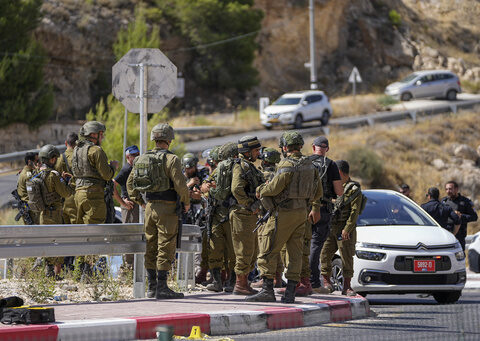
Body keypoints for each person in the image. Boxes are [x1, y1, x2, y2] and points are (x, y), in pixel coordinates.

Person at [246, 131, 322, 303]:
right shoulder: (311, 165)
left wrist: (260, 190)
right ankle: (290, 293)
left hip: (284, 213)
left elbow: (274, 188)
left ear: (285, 147)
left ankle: (267, 291)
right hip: (302, 213)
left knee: (268, 248)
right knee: (295, 252)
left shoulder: (286, 165)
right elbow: (318, 192)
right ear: (300, 146)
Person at [127, 123, 190, 299]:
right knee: (166, 244)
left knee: (151, 244)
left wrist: (141, 202)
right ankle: (162, 287)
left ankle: (152, 288)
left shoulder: (141, 159)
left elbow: (130, 184)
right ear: (169, 140)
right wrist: (186, 202)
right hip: (168, 208)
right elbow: (181, 185)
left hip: (150, 207)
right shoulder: (172, 160)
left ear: (154, 138)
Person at [72, 121, 118, 278]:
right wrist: (113, 167)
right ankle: (88, 271)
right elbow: (107, 175)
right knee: (94, 232)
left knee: (80, 233)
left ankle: (79, 269)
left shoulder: (76, 150)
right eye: (101, 134)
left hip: (78, 195)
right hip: (93, 195)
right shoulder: (96, 151)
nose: (102, 137)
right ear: (94, 135)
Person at [320, 160, 362, 296]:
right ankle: (327, 283)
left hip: (344, 229)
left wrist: (347, 229)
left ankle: (347, 286)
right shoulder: (331, 187)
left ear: (339, 173)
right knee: (324, 254)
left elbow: (354, 212)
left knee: (346, 257)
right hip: (330, 227)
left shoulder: (353, 189)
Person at [230, 136, 265, 295]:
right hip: (242, 213)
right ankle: (240, 285)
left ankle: (245, 283)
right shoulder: (240, 166)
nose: (258, 153)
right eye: (256, 150)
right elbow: (236, 189)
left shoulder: (249, 166)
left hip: (248, 214)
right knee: (244, 250)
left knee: (251, 250)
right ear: (247, 152)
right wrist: (250, 205)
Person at [308, 136, 343, 291]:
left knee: (301, 246)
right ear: (327, 149)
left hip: (302, 209)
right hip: (322, 209)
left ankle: (299, 281)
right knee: (315, 247)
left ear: (313, 147)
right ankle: (314, 283)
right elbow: (339, 191)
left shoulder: (304, 162)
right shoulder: (331, 165)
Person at [37, 145, 75, 279]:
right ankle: (53, 273)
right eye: (55, 158)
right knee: (56, 243)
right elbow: (66, 193)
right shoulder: (53, 175)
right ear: (52, 159)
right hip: (54, 215)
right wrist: (70, 182)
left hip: (43, 215)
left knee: (47, 243)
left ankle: (48, 271)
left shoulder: (38, 172)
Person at [205, 143, 237, 292]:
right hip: (217, 214)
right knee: (214, 248)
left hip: (231, 214)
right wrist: (209, 187)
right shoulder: (217, 172)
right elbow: (205, 187)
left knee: (233, 251)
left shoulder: (238, 170)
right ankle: (217, 281)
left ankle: (233, 282)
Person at [252, 147, 284, 289]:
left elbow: (260, 195)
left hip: (265, 215)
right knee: (276, 248)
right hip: (279, 215)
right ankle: (278, 277)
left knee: (264, 249)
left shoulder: (263, 175)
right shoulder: (279, 174)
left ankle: (267, 278)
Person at [54, 132, 78, 271]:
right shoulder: (79, 157)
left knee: (65, 233)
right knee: (77, 233)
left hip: (65, 200)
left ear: (65, 143)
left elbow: (56, 177)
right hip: (78, 198)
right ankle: (73, 264)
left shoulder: (61, 158)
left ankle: (63, 265)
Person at [442, 181, 478, 251]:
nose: (448, 191)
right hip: (446, 234)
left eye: (450, 189)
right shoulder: (444, 201)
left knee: (460, 257)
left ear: (456, 189)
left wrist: (461, 216)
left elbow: (474, 217)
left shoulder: (465, 202)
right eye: (446, 189)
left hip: (460, 235)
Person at [113, 145, 140, 224]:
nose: (137, 156)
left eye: (138, 154)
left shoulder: (134, 168)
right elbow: (112, 184)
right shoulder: (126, 169)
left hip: (135, 204)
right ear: (128, 157)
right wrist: (123, 202)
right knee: (130, 233)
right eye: (134, 155)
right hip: (129, 206)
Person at [16, 152, 40, 224]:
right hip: (30, 208)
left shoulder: (25, 171)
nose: (38, 163)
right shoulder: (28, 175)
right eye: (36, 161)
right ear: (30, 162)